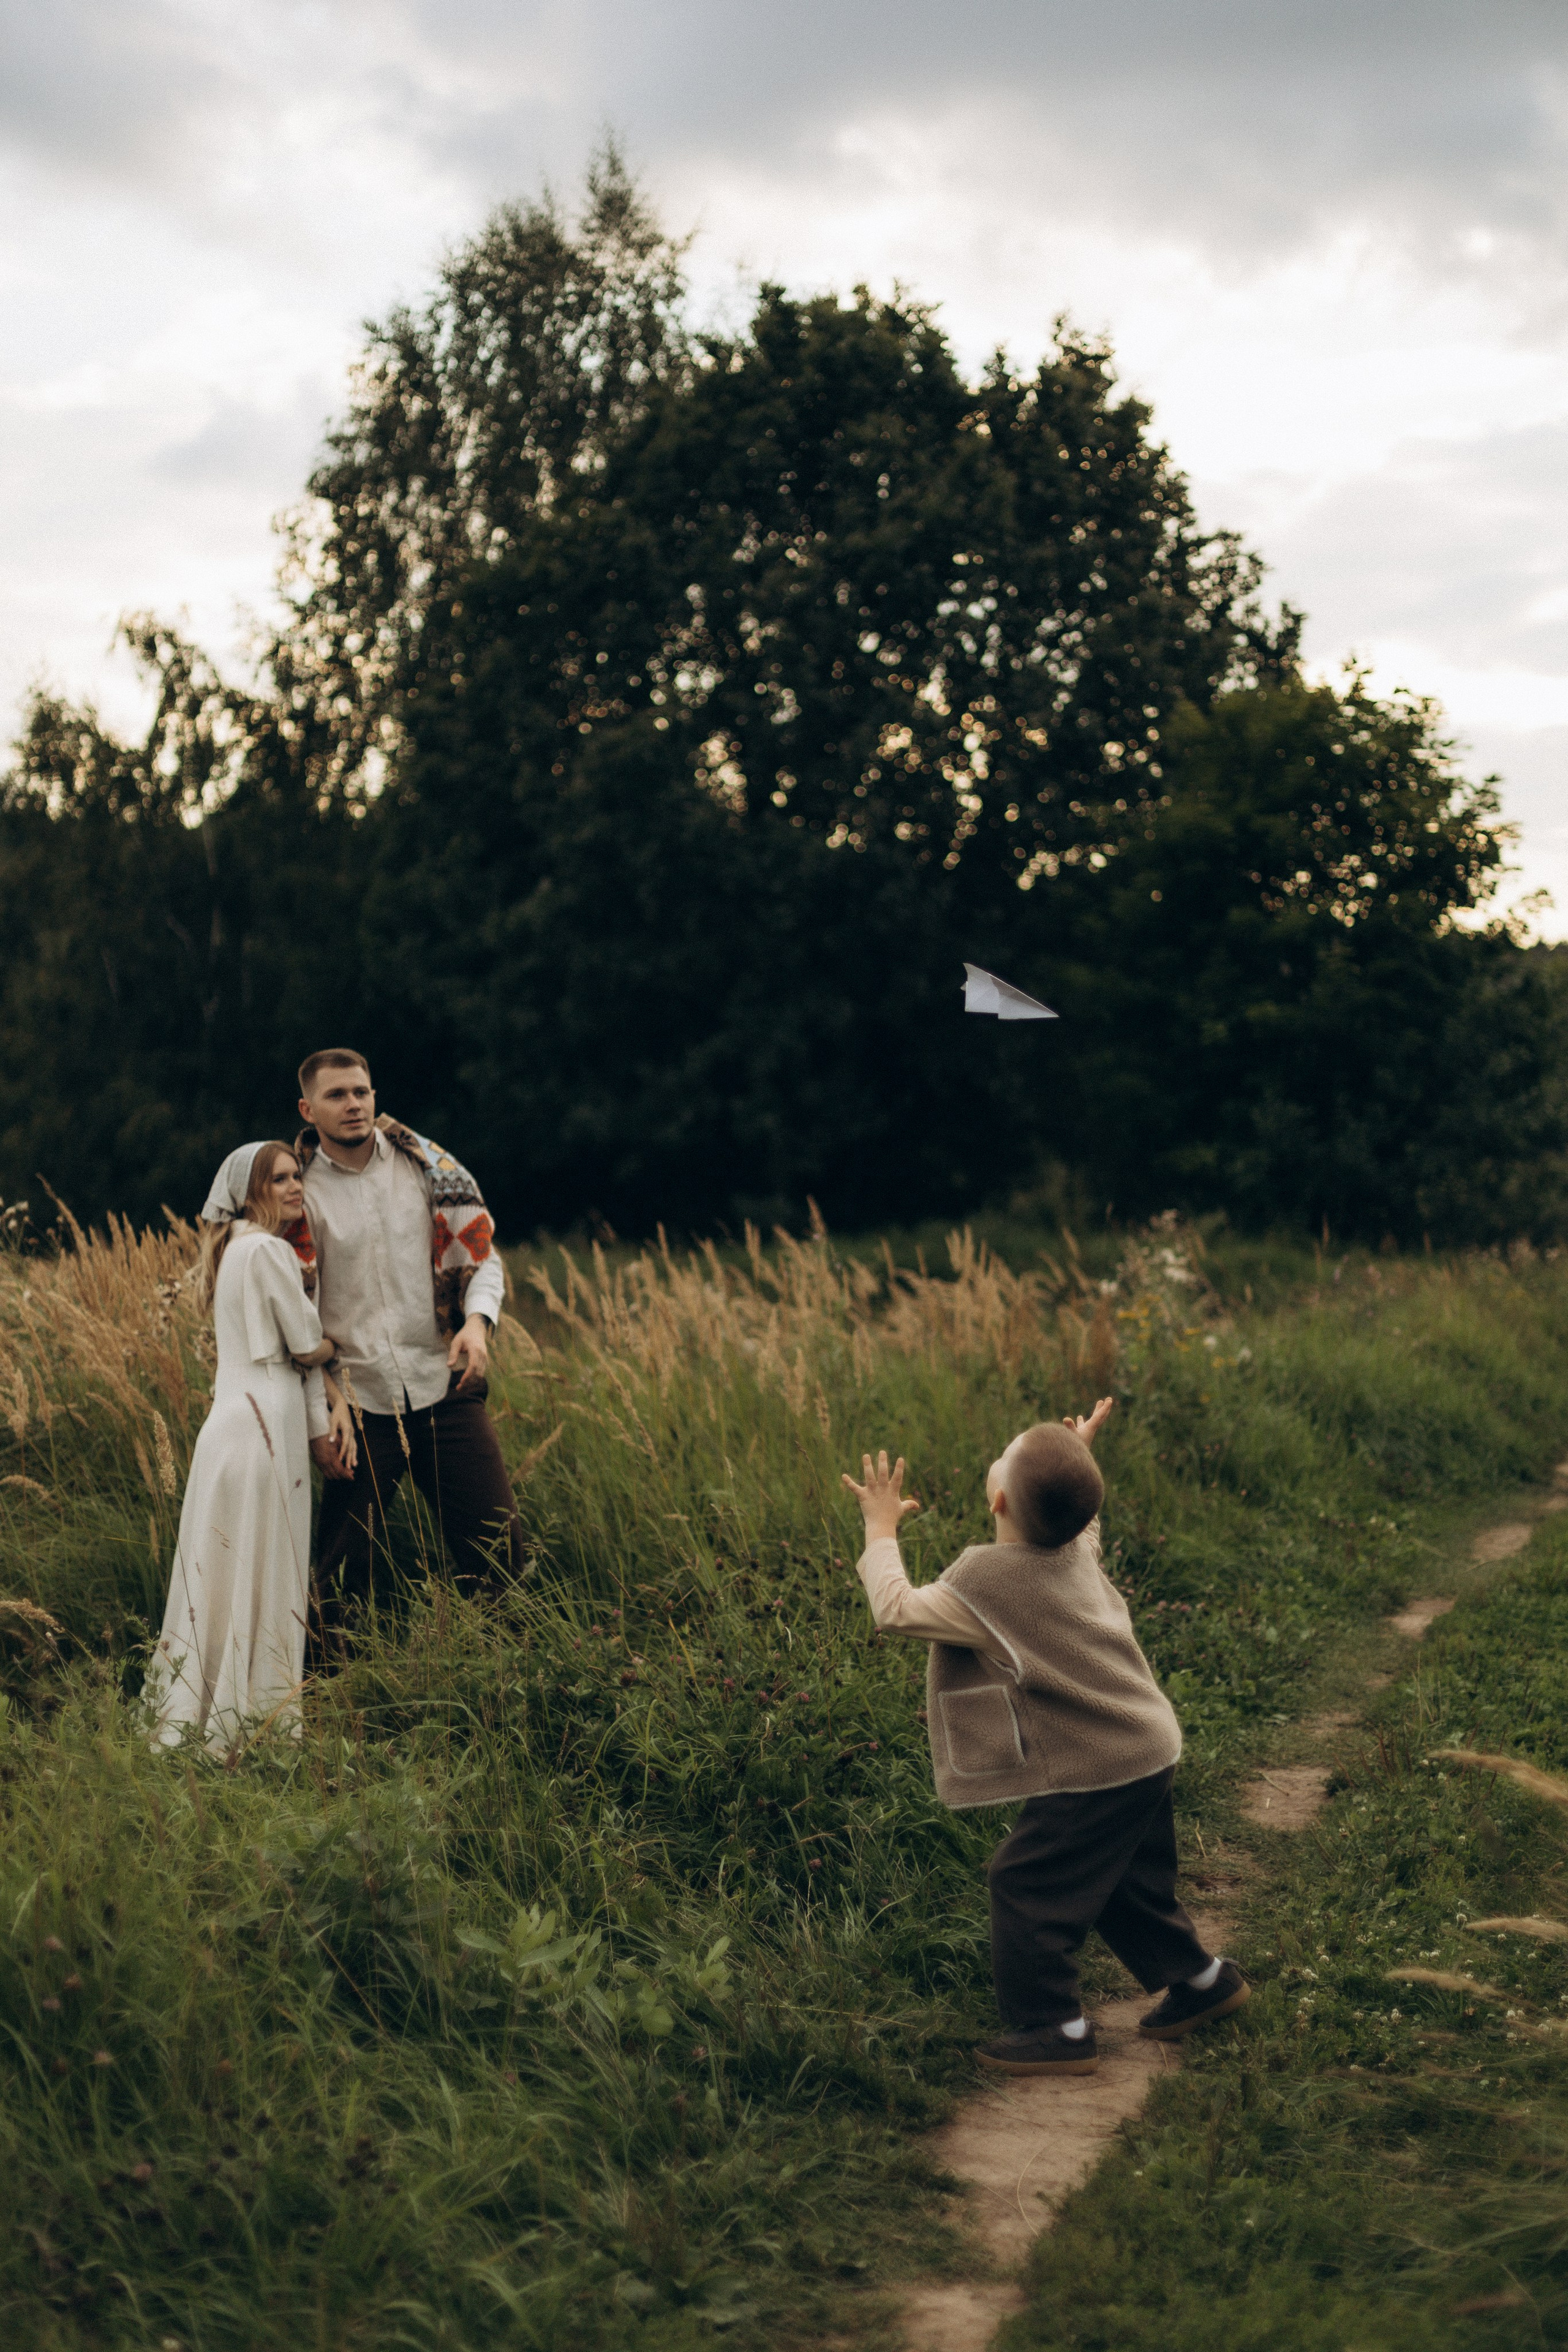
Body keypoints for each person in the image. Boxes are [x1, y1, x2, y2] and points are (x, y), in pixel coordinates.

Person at [842, 1403, 1249, 2075]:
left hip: (1101, 1763)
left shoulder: (984, 1583)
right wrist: (1075, 1458)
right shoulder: (1073, 1551)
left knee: (1024, 1882)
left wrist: (880, 1529)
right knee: (1124, 1881)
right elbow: (1080, 1523)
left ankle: (1053, 2027)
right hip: (1148, 1744)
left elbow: (896, 1610)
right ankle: (1204, 1984)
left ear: (997, 1497)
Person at [293, 1047, 521, 1645]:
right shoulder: (299, 1195)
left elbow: (481, 1256)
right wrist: (323, 1398)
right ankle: (322, 1701)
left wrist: (476, 1323)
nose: (353, 1104)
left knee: (499, 1547)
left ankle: (523, 1682)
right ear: (308, 1108)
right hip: (358, 1404)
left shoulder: (429, 1169)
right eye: (337, 1095)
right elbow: (288, 1314)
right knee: (339, 1574)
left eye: (361, 1092)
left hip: (442, 1384)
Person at [145, 1141, 356, 1754]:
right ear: (249, 1192)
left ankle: (210, 1716)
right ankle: (253, 1726)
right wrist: (331, 1343)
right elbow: (307, 1341)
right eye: (281, 1179)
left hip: (235, 1424)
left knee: (225, 1575)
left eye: (298, 1177)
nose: (296, 1188)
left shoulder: (235, 1250)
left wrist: (314, 1353)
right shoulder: (268, 1250)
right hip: (262, 1424)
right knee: (263, 1569)